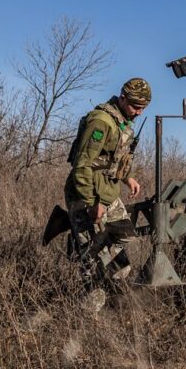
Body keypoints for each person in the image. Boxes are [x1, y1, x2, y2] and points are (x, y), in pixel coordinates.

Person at [64, 77, 150, 288]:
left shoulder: (122, 121)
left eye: (143, 108)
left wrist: (127, 178)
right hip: (87, 194)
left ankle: (85, 250)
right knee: (92, 266)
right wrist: (92, 203)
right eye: (136, 107)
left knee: (125, 236)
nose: (139, 112)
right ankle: (90, 310)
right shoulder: (101, 121)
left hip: (107, 192)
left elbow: (112, 159)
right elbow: (82, 165)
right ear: (122, 98)